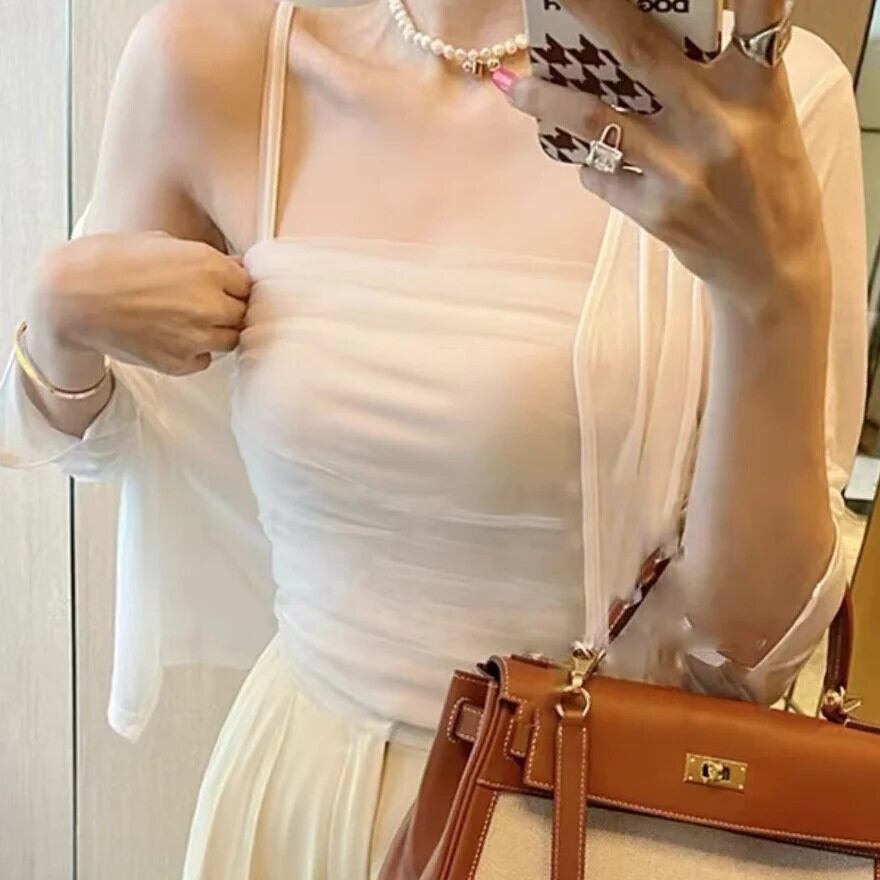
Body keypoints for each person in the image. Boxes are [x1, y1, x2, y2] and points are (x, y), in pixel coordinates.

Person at [0, 0, 868, 876]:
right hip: (303, 791)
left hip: (600, 824)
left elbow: (754, 652)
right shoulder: (214, 59)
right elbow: (94, 436)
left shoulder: (764, 102)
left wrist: (768, 291)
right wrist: (58, 315)